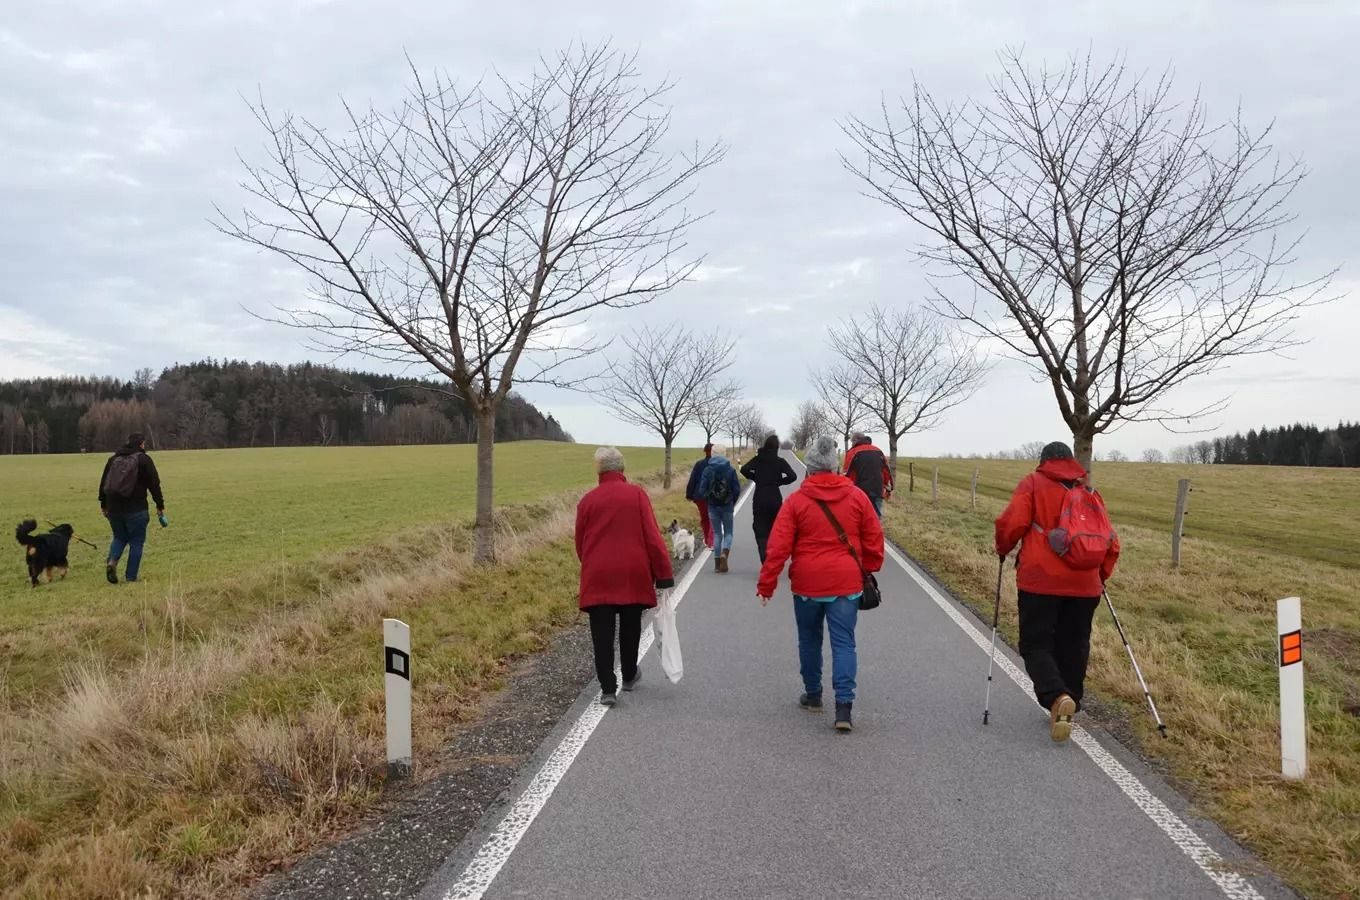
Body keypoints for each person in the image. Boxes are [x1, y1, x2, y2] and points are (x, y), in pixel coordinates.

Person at [995, 441, 1121, 743]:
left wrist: (1003, 548)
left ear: (1043, 460)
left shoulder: (1033, 484)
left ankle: (1056, 697)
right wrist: (1100, 576)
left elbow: (1012, 523)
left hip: (1041, 581)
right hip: (1086, 583)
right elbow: (1109, 540)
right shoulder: (1089, 491)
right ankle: (1070, 702)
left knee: (1036, 644)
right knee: (1074, 643)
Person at [756, 435, 884, 733]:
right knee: (844, 643)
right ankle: (843, 708)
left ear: (809, 469)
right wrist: (869, 567)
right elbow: (874, 537)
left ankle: (813, 695)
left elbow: (778, 547)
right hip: (845, 582)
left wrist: (767, 584)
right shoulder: (857, 498)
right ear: (836, 466)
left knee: (810, 639)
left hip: (807, 584)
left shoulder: (797, 501)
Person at [575, 447, 675, 707]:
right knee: (631, 627)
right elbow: (652, 537)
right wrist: (663, 574)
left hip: (598, 574)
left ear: (599, 470)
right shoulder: (637, 495)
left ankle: (608, 688)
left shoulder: (587, 500)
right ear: (622, 469)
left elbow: (580, 544)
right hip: (633, 572)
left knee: (602, 633)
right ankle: (629, 674)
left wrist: (592, 564)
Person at [98, 432, 166, 585]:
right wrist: (160, 505)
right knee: (136, 541)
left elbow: (104, 483)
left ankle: (112, 562)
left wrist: (103, 504)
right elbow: (154, 484)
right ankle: (131, 577)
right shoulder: (144, 460)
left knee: (119, 537)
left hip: (114, 508)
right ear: (141, 444)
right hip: (136, 508)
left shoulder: (113, 459)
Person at [740, 434, 798, 563]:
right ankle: (774, 554)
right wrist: (779, 482)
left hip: (760, 496)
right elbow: (793, 476)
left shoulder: (758, 459)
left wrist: (755, 478)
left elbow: (744, 469)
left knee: (760, 527)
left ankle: (764, 556)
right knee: (775, 527)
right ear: (777, 447)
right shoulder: (780, 461)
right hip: (774, 497)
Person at [697, 444, 741, 572]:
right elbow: (736, 489)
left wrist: (708, 499)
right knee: (728, 533)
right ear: (724, 454)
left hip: (713, 506)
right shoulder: (731, 470)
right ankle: (724, 554)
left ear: (713, 454)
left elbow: (701, 490)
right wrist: (732, 501)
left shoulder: (707, 470)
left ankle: (717, 565)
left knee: (717, 534)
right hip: (727, 506)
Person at [842, 432, 894, 518]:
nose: (851, 443)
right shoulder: (878, 451)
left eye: (852, 441)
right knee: (876, 519)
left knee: (858, 518)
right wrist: (886, 487)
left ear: (855, 440)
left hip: (859, 492)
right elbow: (885, 471)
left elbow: (846, 474)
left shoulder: (852, 452)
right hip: (877, 490)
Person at [684, 443, 716, 550]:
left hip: (700, 496)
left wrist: (689, 494)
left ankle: (707, 539)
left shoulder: (699, 464)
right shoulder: (718, 464)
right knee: (713, 518)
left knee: (705, 518)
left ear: (705, 452)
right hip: (713, 495)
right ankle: (712, 541)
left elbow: (692, 480)